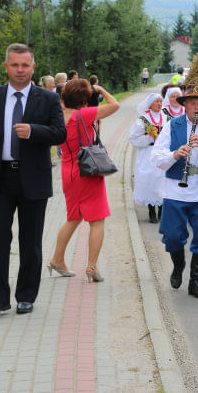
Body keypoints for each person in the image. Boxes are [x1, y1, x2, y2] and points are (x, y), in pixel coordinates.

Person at [0, 43, 67, 316]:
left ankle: (26, 296)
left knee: (31, 240)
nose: (20, 70)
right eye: (15, 64)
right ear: (6, 67)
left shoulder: (47, 98)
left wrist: (33, 131)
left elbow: (60, 134)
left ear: (33, 67)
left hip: (32, 179)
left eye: (25, 65)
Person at [150, 85, 198, 299]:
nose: (197, 106)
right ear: (184, 104)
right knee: (173, 237)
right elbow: (156, 157)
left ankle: (196, 281)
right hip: (175, 190)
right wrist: (175, 154)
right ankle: (178, 265)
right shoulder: (172, 126)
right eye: (192, 102)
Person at [48, 79, 119, 283]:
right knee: (97, 220)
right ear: (85, 100)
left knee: (74, 217)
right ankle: (92, 266)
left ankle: (57, 259)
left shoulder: (59, 116)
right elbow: (115, 105)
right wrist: (102, 88)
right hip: (88, 171)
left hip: (68, 172)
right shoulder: (83, 114)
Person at [129, 93, 165, 223]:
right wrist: (150, 138)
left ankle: (161, 209)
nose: (159, 104)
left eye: (161, 102)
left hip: (162, 153)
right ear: (150, 104)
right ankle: (151, 210)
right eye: (157, 102)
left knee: (162, 180)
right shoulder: (143, 120)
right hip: (147, 153)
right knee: (149, 180)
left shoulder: (166, 118)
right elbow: (133, 138)